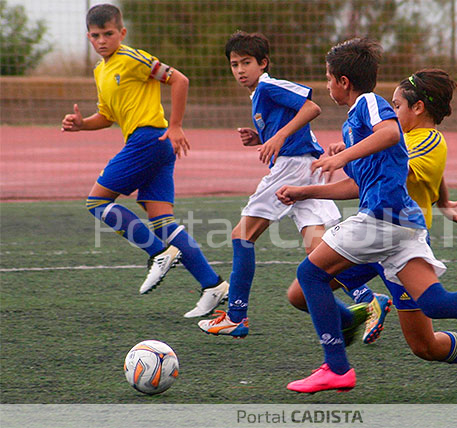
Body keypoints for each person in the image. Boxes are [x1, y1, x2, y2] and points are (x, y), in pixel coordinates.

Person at [276, 38, 457, 394]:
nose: (326, 85)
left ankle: (337, 366)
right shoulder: (359, 122)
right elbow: (362, 181)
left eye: (328, 78)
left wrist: (343, 155)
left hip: (385, 220)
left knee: (310, 274)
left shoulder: (372, 107)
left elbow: (391, 139)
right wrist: (306, 191)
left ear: (343, 81)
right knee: (430, 320)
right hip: (398, 230)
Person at [190, 31, 356, 336]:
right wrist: (261, 137)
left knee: (243, 234)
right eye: (234, 64)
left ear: (263, 63)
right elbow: (286, 126)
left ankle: (237, 316)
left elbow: (312, 108)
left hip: (292, 167)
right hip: (305, 166)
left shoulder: (268, 85)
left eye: (246, 62)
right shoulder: (258, 97)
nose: (240, 70)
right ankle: (365, 302)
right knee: (316, 249)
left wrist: (278, 137)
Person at [61, 4, 227, 298]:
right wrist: (81, 124)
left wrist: (175, 125)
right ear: (89, 37)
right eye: (96, 35)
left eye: (108, 33)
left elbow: (179, 79)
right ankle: (213, 286)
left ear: (121, 33)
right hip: (153, 145)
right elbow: (107, 116)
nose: (102, 40)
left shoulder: (132, 58)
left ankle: (158, 254)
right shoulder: (100, 71)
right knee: (162, 221)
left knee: (96, 202)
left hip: (149, 139)